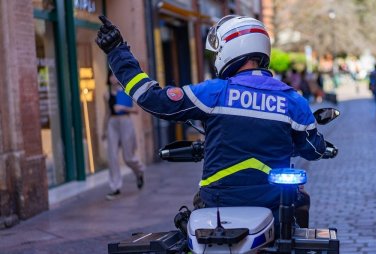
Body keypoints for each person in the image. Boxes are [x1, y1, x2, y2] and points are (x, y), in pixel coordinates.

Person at [96, 15, 326, 228]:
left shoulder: (215, 92)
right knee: (298, 215)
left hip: (218, 202)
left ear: (229, 50)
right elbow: (314, 149)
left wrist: (117, 52)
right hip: (273, 204)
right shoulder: (293, 100)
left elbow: (153, 99)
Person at [102, 70, 145, 200]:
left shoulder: (127, 91)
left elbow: (136, 111)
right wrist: (103, 130)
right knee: (112, 156)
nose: (113, 78)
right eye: (111, 75)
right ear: (108, 78)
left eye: (115, 75)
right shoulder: (106, 94)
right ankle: (115, 187)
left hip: (126, 122)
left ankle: (139, 170)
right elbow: (107, 113)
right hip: (112, 124)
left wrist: (122, 108)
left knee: (128, 157)